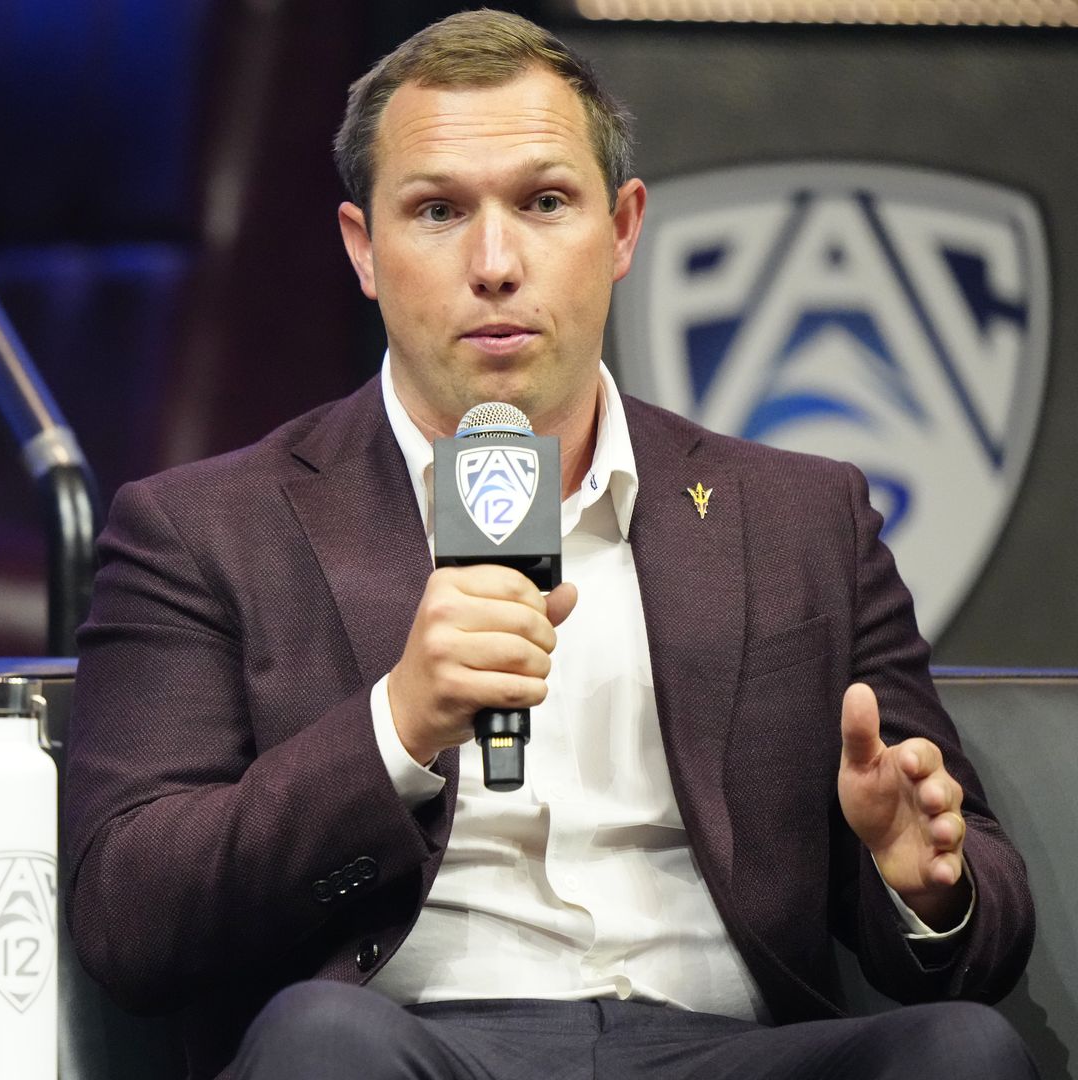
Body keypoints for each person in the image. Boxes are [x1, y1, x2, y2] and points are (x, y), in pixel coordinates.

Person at [61, 9, 1036, 1080]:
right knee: (323, 1046)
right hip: (412, 1046)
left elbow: (981, 917)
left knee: (963, 1051)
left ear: (621, 230)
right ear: (363, 250)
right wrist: (395, 729)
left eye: (544, 203)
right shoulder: (204, 530)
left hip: (726, 1050)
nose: (494, 263)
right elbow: (129, 917)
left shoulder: (802, 516)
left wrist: (920, 880)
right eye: (437, 210)